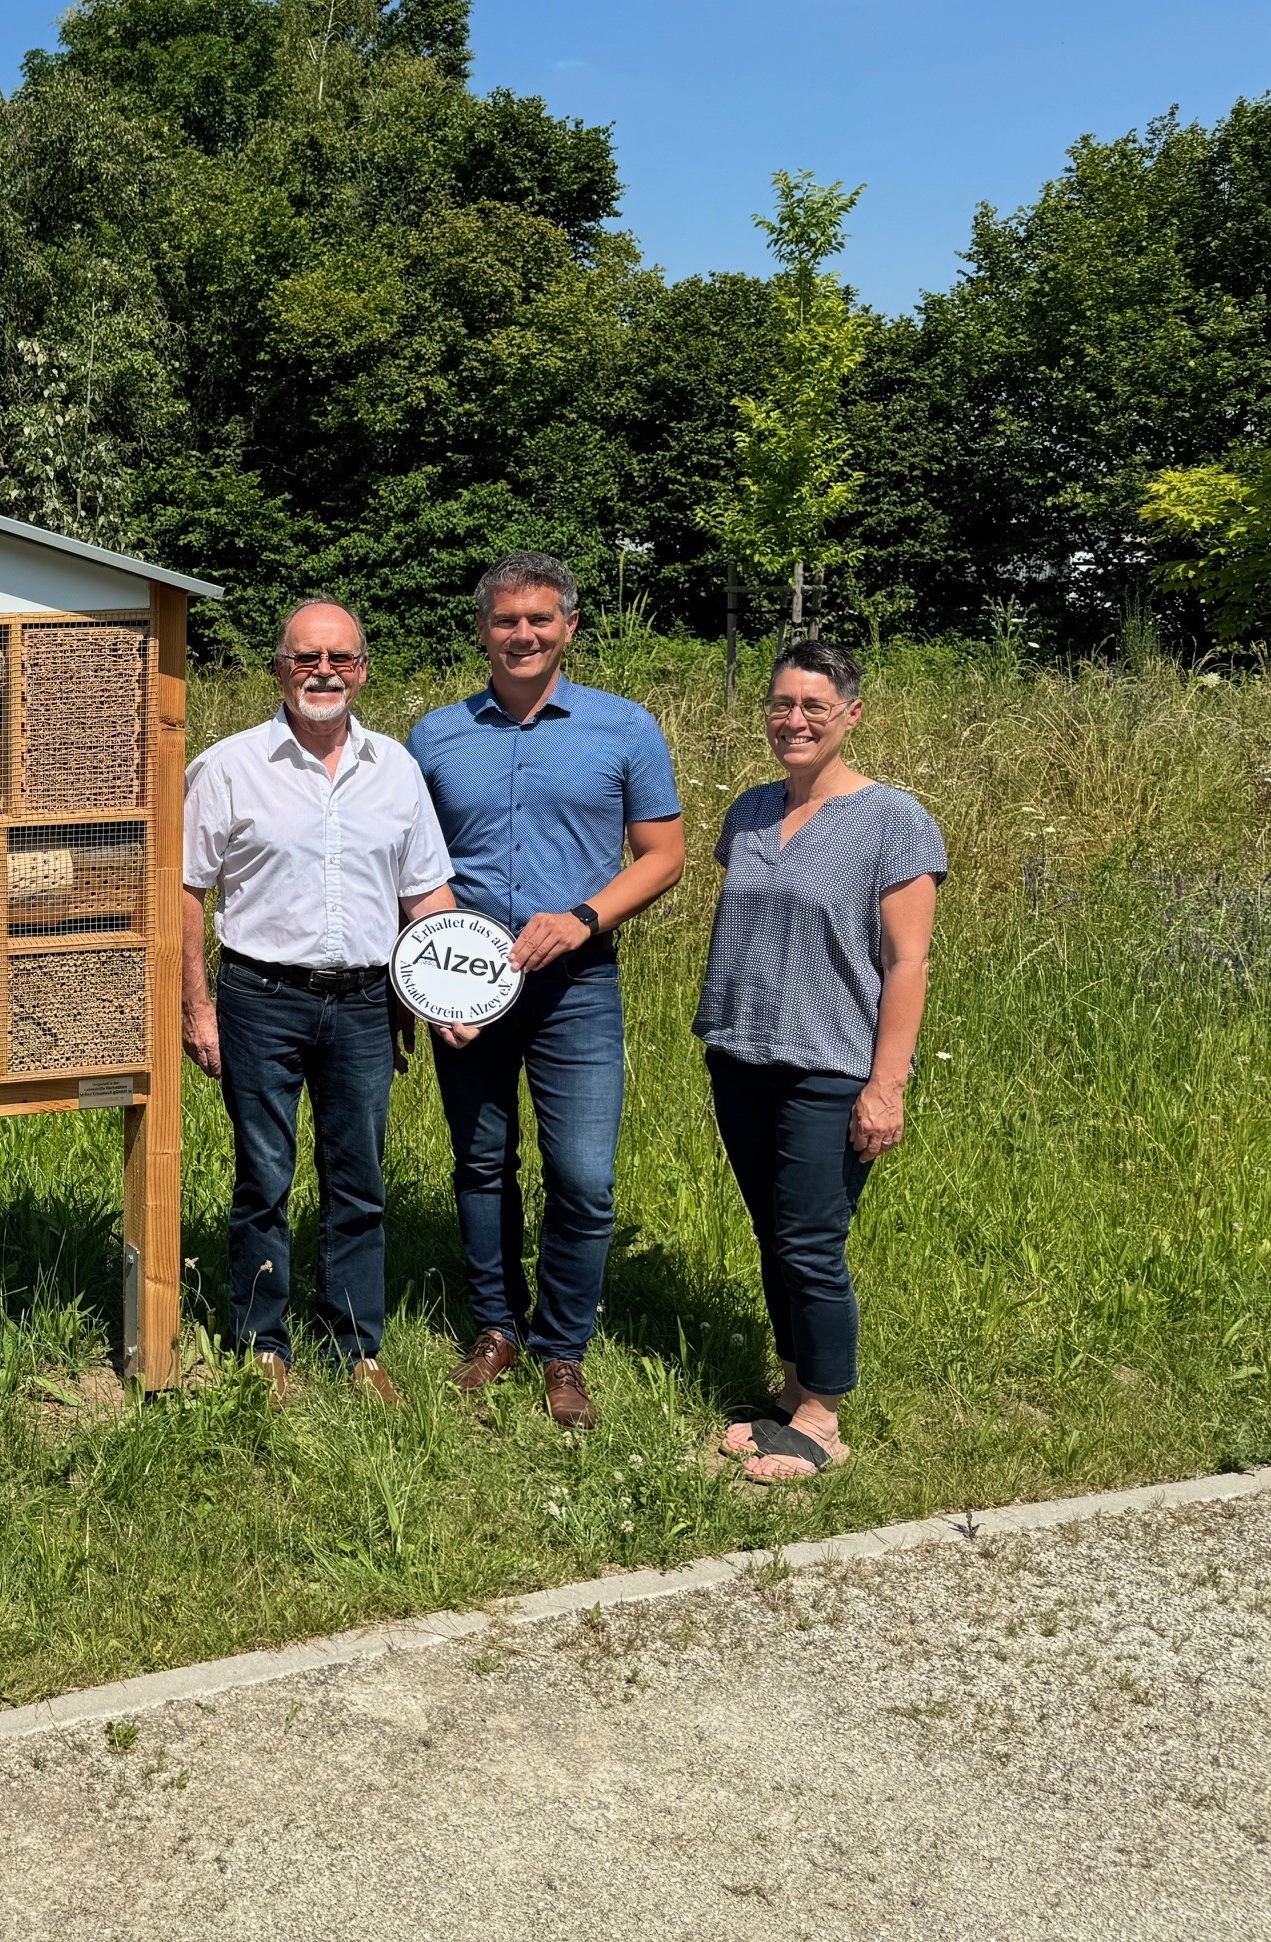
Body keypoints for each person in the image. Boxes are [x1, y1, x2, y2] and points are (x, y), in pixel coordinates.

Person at [408, 553, 686, 1432]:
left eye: (539, 620)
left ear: (568, 626)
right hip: (468, 983)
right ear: (482, 629)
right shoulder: (435, 737)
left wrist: (583, 917)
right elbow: (411, 867)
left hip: (578, 982)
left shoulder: (624, 728)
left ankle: (564, 1348)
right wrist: (430, 979)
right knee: (482, 1164)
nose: (521, 635)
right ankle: (497, 1328)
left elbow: (664, 856)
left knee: (584, 1177)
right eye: (504, 620)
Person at [183, 598, 458, 1401]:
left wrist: (439, 992)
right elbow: (186, 896)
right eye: (307, 658)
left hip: (369, 1005)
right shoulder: (228, 766)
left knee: (359, 1179)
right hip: (260, 998)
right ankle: (264, 1344)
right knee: (264, 1176)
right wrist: (196, 1010)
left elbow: (427, 893)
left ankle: (356, 1347)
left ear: (364, 670)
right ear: (279, 669)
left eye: (341, 658)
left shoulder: (398, 769)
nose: (325, 672)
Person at [697, 641, 944, 1481]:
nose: (793, 720)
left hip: (832, 1064)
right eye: (780, 704)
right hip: (741, 1053)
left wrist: (886, 1085)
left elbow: (907, 961)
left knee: (811, 1238)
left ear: (850, 715)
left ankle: (824, 1416)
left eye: (813, 706)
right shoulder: (751, 810)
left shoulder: (893, 820)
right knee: (774, 1232)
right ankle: (793, 1387)